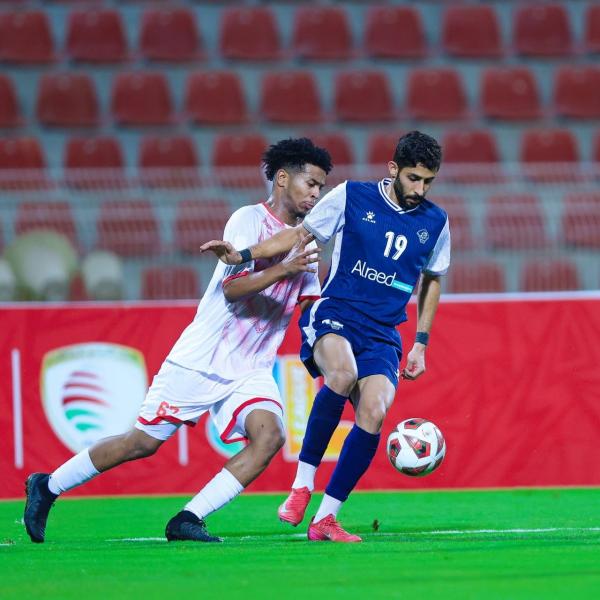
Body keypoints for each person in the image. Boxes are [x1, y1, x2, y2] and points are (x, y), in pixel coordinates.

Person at [24, 137, 332, 544]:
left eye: (321, 187)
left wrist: (331, 344)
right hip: (203, 358)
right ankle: (48, 485)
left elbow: (309, 304)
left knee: (270, 437)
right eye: (310, 183)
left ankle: (188, 518)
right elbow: (233, 290)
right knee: (141, 443)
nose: (316, 193)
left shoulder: (306, 243)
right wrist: (283, 269)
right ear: (282, 179)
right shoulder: (249, 220)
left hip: (250, 368)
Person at [200, 131, 451, 543]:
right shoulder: (352, 196)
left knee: (374, 411)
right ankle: (302, 485)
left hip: (383, 332)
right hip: (337, 313)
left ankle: (326, 519)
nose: (420, 190)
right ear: (393, 169)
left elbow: (433, 279)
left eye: (428, 182)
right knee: (342, 373)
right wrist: (243, 255)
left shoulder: (436, 221)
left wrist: (421, 342)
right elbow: (299, 235)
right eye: (413, 178)